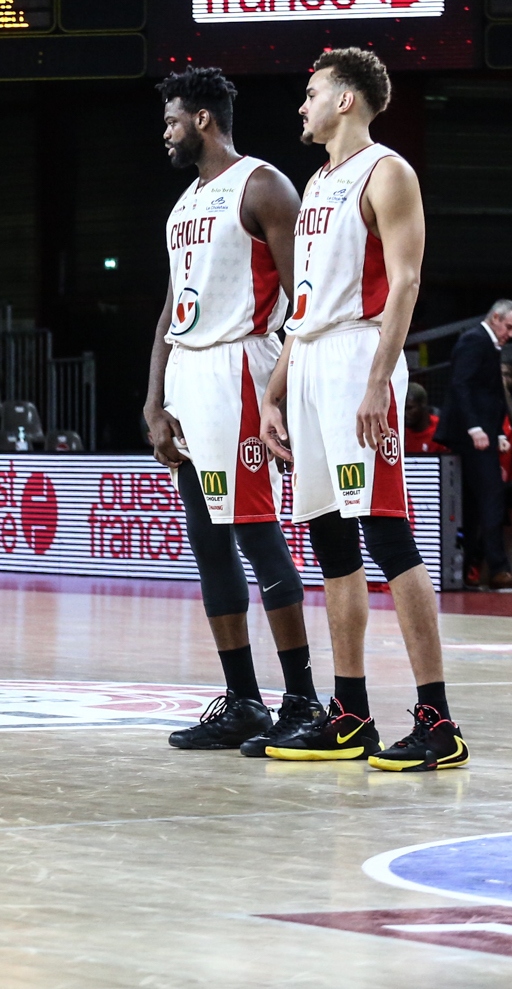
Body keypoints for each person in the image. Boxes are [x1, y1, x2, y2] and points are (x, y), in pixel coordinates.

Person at [260, 48, 465, 771]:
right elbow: (304, 305)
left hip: (359, 357)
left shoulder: (388, 171)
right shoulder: (317, 183)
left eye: (311, 93)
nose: (302, 105)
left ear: (346, 99)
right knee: (330, 541)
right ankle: (349, 713)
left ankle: (438, 719)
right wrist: (275, 390)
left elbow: (405, 282)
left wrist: (380, 378)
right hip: (313, 356)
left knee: (387, 531)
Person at [141, 68, 321, 754]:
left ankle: (302, 697)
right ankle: (244, 698)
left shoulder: (264, 185)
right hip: (189, 373)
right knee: (209, 545)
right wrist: (155, 399)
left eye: (172, 121)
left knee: (256, 535)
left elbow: (303, 298)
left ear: (204, 120)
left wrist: (280, 390)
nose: (166, 132)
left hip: (242, 369)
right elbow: (169, 306)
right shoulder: (185, 202)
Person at [440, 299, 512, 590]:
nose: (510, 334)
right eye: (509, 327)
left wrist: (496, 430)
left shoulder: (487, 344)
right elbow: (460, 385)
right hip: (471, 434)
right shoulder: (474, 340)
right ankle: (497, 568)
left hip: (482, 431)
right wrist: (475, 427)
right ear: (496, 317)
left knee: (478, 501)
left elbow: (489, 393)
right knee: (490, 496)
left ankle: (475, 568)